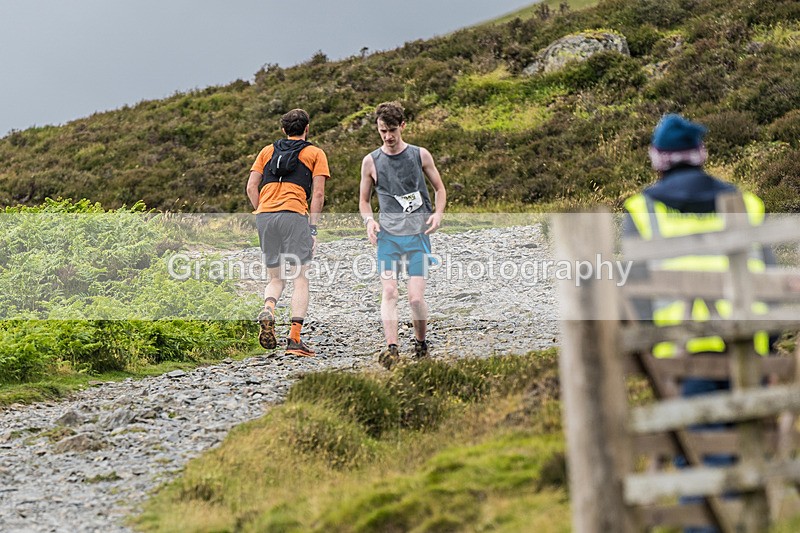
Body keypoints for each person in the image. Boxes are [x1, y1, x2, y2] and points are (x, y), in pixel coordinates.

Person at [623, 113, 774, 533]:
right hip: (749, 350)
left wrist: (649, 356)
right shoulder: (747, 203)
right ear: (701, 154)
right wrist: (769, 345)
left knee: (699, 459)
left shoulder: (642, 210)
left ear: (658, 159)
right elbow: (770, 284)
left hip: (681, 356)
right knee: (743, 453)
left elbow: (638, 297)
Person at [359, 101, 446, 369]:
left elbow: (440, 189)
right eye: (383, 131)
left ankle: (421, 343)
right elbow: (364, 201)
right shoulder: (370, 161)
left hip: (418, 236)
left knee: (415, 298)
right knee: (389, 291)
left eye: (392, 130)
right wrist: (369, 221)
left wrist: (438, 214)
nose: (388, 136)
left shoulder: (420, 155)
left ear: (403, 126)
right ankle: (392, 349)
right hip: (388, 237)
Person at [245, 108, 329, 356]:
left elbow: (251, 187)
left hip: (265, 216)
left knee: (275, 278)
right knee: (300, 278)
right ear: (307, 128)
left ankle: (269, 308)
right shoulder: (315, 153)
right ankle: (294, 340)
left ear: (283, 130)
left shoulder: (267, 151)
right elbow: (318, 194)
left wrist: (262, 211)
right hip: (294, 215)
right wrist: (312, 227)